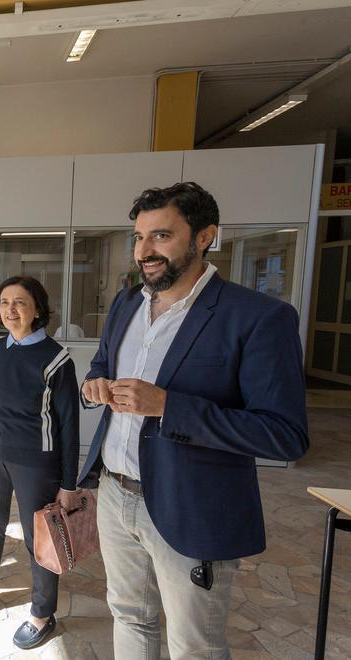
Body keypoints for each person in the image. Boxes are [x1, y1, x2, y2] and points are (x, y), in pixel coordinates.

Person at [78, 182, 309, 658]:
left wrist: (168, 406)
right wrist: (94, 384)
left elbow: (284, 436)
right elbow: (103, 364)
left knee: (194, 646)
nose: (145, 251)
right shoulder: (127, 303)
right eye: (139, 237)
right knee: (127, 616)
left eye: (161, 236)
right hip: (116, 493)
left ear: (205, 237)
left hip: (192, 504)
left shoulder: (259, 317)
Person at [0, 275, 80, 650]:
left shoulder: (57, 358)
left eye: (19, 302)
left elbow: (68, 427)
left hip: (35, 463)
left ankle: (42, 615)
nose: (10, 309)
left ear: (37, 309)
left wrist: (68, 483)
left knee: (40, 540)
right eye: (4, 302)